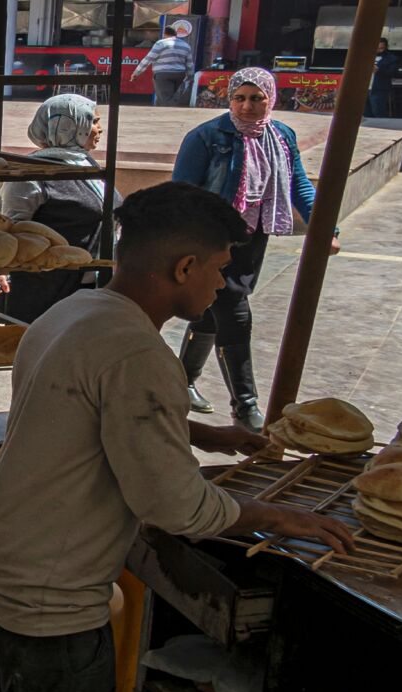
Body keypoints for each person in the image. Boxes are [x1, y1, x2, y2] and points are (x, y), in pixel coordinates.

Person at [0, 182, 354, 692]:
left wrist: (202, 434)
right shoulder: (138, 353)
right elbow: (176, 508)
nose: (223, 283)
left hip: (7, 547)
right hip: (53, 585)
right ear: (184, 267)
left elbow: (82, 410)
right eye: (218, 268)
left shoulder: (75, 310)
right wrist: (282, 518)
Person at [172, 66, 338, 432]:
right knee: (235, 312)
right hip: (213, 240)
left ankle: (180, 384)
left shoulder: (281, 136)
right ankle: (245, 406)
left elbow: (299, 185)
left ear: (270, 99)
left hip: (253, 235)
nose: (247, 106)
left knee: (210, 313)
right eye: (239, 98)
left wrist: (325, 228)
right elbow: (181, 194)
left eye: (256, 98)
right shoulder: (206, 137)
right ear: (229, 99)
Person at [0, 94, 122, 323]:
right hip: (46, 292)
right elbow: (10, 228)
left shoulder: (86, 165)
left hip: (92, 286)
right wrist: (0, 270)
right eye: (93, 121)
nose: (100, 129)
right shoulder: (32, 174)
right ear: (67, 125)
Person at [130, 26, 194, 107]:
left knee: (165, 99)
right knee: (170, 98)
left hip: (163, 74)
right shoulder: (185, 45)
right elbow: (190, 64)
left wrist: (136, 73)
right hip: (180, 75)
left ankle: (169, 116)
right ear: (175, 34)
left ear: (165, 34)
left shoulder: (161, 43)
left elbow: (148, 59)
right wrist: (190, 77)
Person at [366, 38, 399, 118]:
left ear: (386, 47)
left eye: (381, 48)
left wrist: (379, 70)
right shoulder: (367, 56)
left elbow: (393, 72)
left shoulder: (391, 58)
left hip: (379, 89)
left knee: (378, 112)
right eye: (377, 48)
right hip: (365, 89)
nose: (379, 50)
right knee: (366, 113)